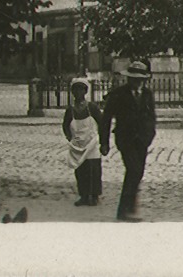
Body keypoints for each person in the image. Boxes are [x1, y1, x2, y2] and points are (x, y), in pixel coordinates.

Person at [100, 59, 158, 221]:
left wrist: (149, 135)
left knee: (138, 173)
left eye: (140, 79)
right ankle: (124, 210)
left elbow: (151, 117)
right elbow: (106, 118)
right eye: (134, 79)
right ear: (129, 79)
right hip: (125, 140)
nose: (137, 82)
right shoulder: (119, 94)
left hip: (142, 140)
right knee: (133, 170)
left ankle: (130, 207)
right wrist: (104, 142)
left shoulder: (147, 94)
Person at [62, 77, 104, 206]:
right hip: (78, 144)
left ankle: (95, 196)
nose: (78, 92)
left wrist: (102, 140)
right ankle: (84, 195)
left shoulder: (92, 107)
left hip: (91, 143)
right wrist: (70, 137)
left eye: (81, 89)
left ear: (85, 92)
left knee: (94, 169)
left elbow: (102, 123)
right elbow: (65, 125)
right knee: (80, 169)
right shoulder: (71, 110)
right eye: (75, 90)